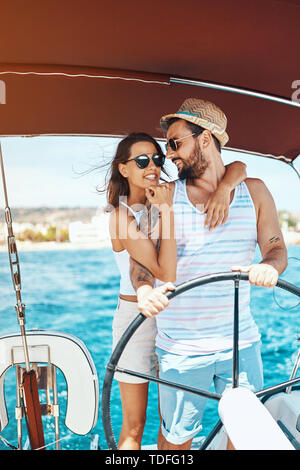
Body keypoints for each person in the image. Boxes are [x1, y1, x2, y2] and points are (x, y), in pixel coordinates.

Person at [129, 98, 288, 450]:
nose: (168, 154)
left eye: (175, 143)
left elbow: (276, 249)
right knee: (176, 439)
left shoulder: (254, 191)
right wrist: (143, 292)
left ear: (204, 140)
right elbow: (140, 264)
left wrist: (269, 267)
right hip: (181, 350)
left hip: (242, 343)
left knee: (244, 436)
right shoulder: (165, 197)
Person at [106, 131, 248, 450]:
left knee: (169, 422)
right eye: (142, 161)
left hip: (177, 322)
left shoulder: (168, 195)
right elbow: (165, 273)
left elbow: (238, 166)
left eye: (157, 158)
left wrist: (225, 187)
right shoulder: (121, 216)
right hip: (137, 320)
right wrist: (167, 210)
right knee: (134, 425)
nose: (153, 165)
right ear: (123, 168)